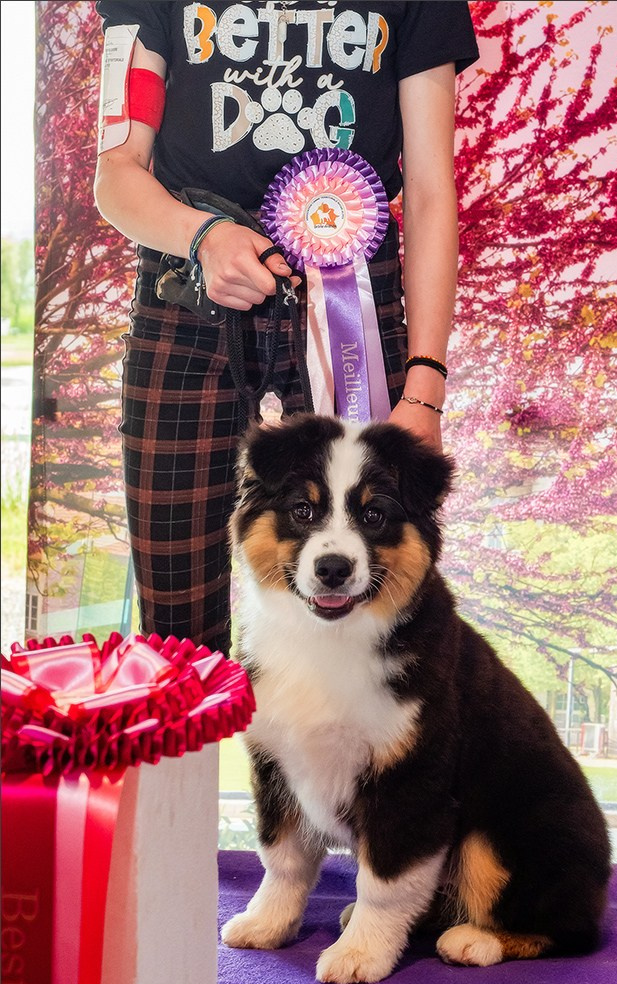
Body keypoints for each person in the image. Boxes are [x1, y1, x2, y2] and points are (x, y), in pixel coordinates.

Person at [94, 1, 479, 655]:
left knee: (356, 627)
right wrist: (202, 236)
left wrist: (424, 385)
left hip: (354, 313)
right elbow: (116, 173)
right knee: (175, 636)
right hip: (189, 307)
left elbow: (429, 190)